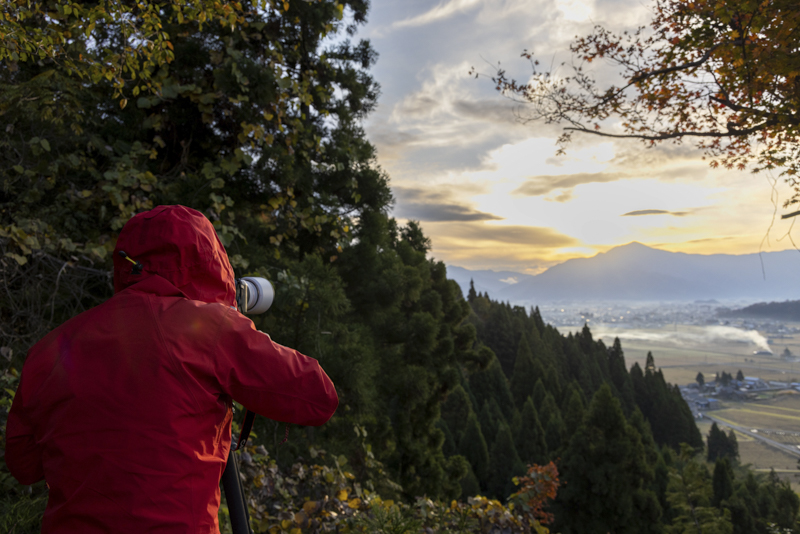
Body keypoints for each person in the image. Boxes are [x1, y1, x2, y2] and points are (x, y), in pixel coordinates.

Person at [4, 205, 338, 533]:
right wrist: (234, 321)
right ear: (210, 261)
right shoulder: (208, 328)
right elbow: (319, 396)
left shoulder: (49, 350)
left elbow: (24, 466)